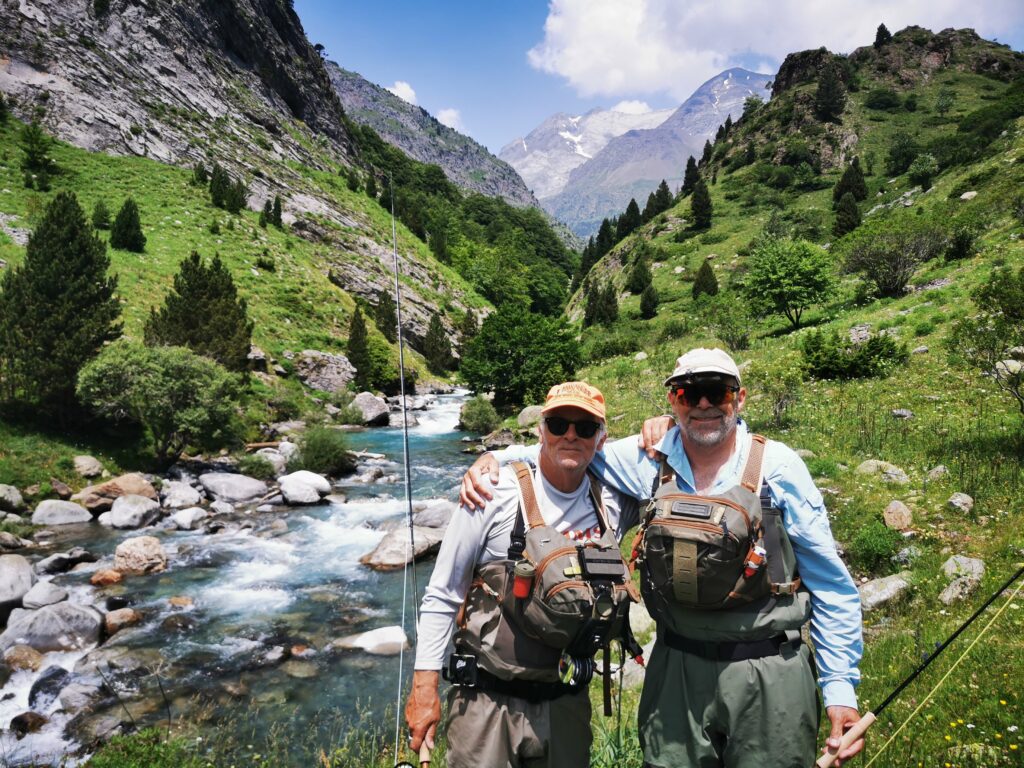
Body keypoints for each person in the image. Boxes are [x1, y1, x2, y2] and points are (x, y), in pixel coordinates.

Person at [460, 348, 864, 768]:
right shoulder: (643, 459)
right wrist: (496, 459)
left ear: (739, 399)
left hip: (768, 669)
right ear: (673, 400)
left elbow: (830, 585)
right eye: (690, 393)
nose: (704, 404)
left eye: (717, 392)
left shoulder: (779, 468)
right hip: (676, 669)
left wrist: (839, 690)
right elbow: (570, 449)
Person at [405, 381, 639, 768]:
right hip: (486, 703)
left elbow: (678, 457)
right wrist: (424, 685)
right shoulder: (492, 492)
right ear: (540, 430)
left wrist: (665, 421)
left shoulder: (614, 502)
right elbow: (444, 593)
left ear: (601, 439)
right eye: (559, 423)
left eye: (584, 428)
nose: (570, 435)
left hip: (567, 703)